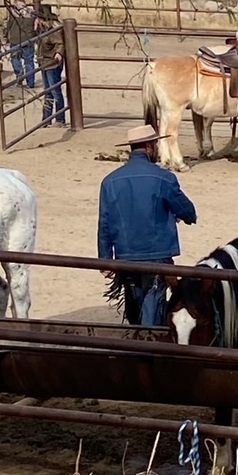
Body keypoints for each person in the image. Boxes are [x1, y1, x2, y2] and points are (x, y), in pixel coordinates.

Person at [98, 125, 197, 326]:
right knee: (153, 307)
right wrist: (181, 216)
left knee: (135, 304)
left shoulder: (109, 181)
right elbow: (187, 211)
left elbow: (105, 223)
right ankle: (149, 350)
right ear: (150, 147)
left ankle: (137, 343)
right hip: (157, 254)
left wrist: (105, 259)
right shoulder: (164, 177)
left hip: (126, 255)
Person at [35, 8, 66, 126]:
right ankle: (47, 118)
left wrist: (58, 54)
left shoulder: (52, 31)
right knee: (48, 91)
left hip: (51, 63)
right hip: (44, 62)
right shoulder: (42, 30)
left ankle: (59, 118)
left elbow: (60, 43)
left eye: (39, 18)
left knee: (54, 90)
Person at [4, 0, 36, 88]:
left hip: (15, 40)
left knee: (15, 59)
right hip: (28, 39)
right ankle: (31, 82)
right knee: (29, 61)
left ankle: (19, 76)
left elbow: (7, 25)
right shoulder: (30, 12)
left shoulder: (12, 12)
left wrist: (5, 37)